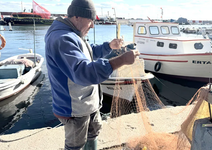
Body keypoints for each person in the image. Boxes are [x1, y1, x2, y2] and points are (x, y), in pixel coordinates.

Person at [44, 0, 140, 149]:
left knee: (93, 133)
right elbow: (83, 72)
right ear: (77, 17)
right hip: (74, 108)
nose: (93, 26)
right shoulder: (62, 38)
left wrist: (109, 46)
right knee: (75, 145)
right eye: (91, 21)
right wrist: (122, 60)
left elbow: (88, 51)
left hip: (87, 103)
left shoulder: (73, 33)